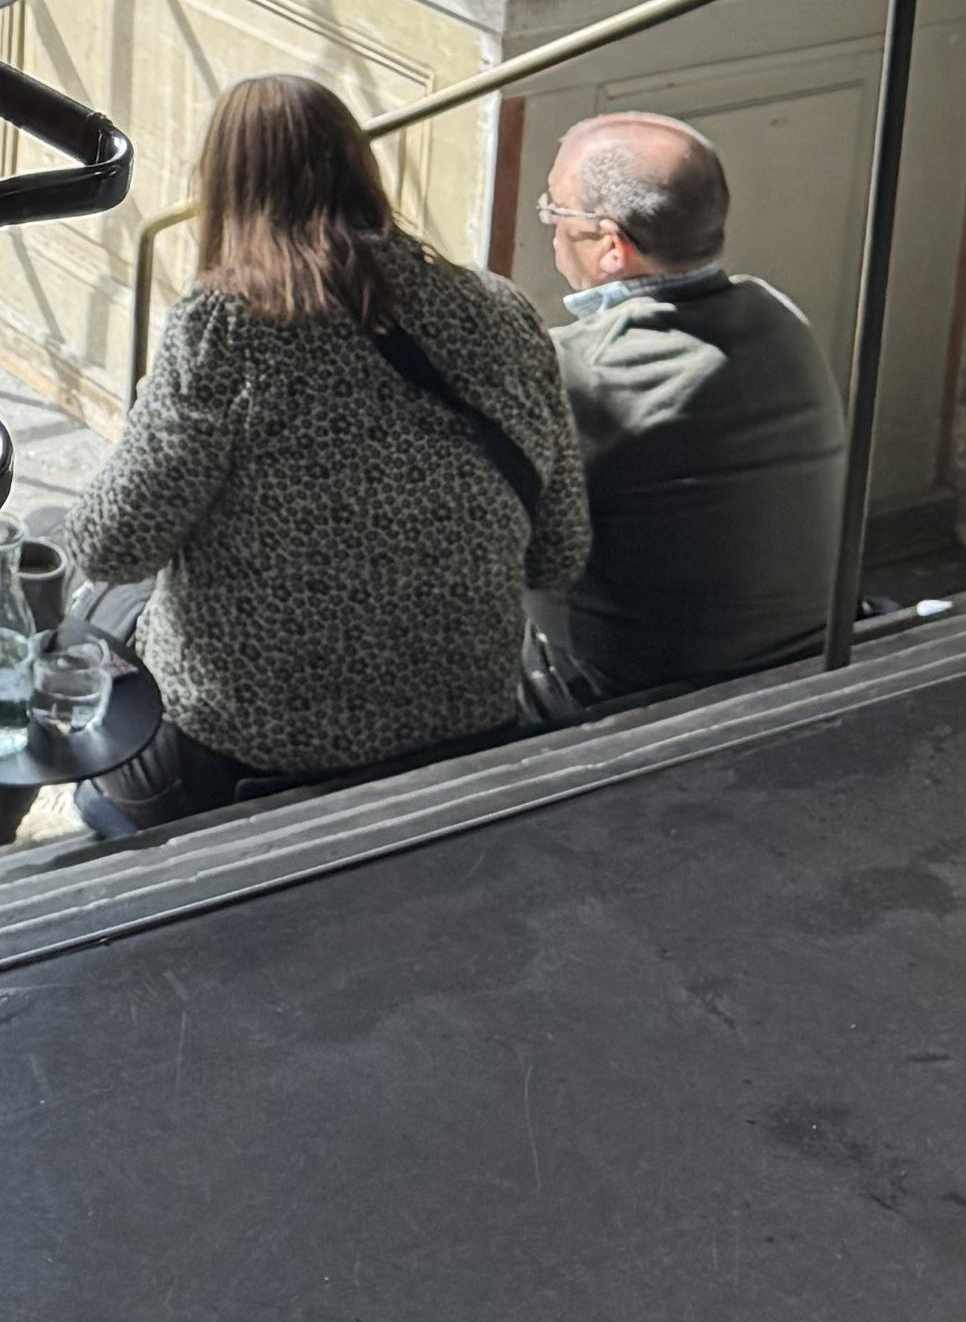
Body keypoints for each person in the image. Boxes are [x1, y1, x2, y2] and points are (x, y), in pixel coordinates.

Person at [61, 75, 585, 836]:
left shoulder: (227, 327)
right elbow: (558, 551)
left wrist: (154, 406)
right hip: (468, 722)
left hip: (244, 750)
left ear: (225, 188)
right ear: (362, 170)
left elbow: (113, 542)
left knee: (66, 589)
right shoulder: (501, 310)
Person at [540, 109, 848, 690]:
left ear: (611, 245)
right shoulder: (781, 316)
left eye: (554, 210)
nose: (551, 226)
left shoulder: (579, 367)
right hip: (808, 663)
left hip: (626, 694)